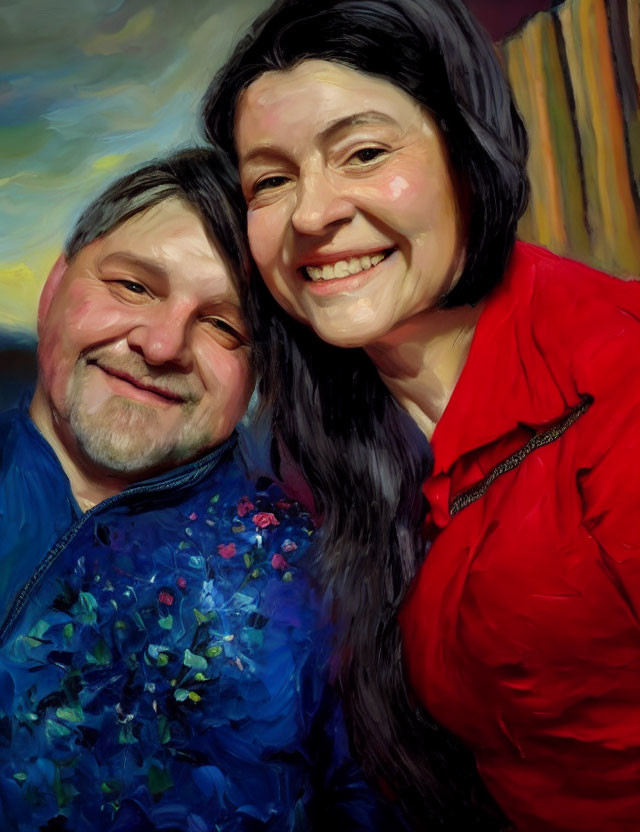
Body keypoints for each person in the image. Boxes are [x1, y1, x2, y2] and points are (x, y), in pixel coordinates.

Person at [202, 1, 640, 829]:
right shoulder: (318, 444)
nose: (311, 214)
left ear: (468, 151)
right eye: (271, 179)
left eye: (363, 153)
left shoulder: (621, 388)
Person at [0, 148, 402, 832]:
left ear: (258, 376)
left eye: (222, 325)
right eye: (132, 285)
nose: (162, 345)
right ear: (55, 287)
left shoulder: (328, 583)